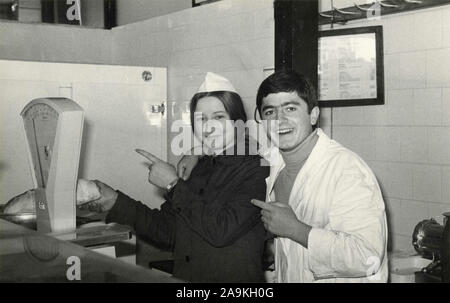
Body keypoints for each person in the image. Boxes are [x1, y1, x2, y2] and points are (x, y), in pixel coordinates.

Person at [179, 70, 389, 283]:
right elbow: (239, 145)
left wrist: (298, 230)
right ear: (261, 120)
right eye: (270, 112)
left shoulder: (346, 170)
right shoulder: (271, 160)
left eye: (290, 108)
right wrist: (197, 151)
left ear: (314, 114)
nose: (280, 120)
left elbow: (367, 257)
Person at [80, 72, 270, 283]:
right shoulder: (198, 167)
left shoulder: (256, 168)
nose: (209, 127)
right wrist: (115, 201)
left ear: (237, 121)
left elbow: (222, 231)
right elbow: (168, 232)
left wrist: (173, 184)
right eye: (201, 119)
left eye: (219, 116)